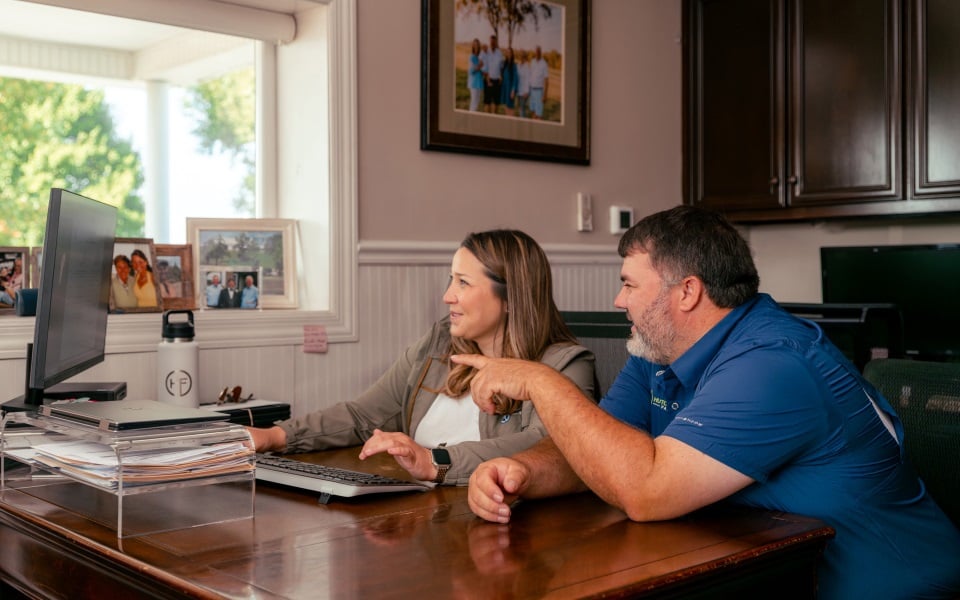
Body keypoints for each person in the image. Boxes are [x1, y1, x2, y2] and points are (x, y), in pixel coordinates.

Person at [459, 206, 960, 599]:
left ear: (688, 292)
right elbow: (598, 445)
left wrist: (542, 383)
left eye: (629, 284)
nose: (619, 300)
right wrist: (520, 471)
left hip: (896, 588)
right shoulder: (657, 349)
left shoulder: (773, 364)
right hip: (769, 575)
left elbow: (646, 491)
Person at [246, 229, 597, 485]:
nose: (448, 296)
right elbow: (363, 415)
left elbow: (548, 448)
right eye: (450, 280)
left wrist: (435, 462)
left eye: (463, 283)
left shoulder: (565, 365)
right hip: (420, 511)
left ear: (511, 298)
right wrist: (275, 437)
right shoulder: (439, 342)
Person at [482, 35, 504, 114]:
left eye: (494, 42)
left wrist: (501, 76)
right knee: (487, 102)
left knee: (496, 102)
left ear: (496, 42)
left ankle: (494, 118)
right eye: (491, 42)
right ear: (489, 42)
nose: (492, 43)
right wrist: (487, 77)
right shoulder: (486, 52)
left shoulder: (500, 53)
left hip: (497, 81)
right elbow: (484, 66)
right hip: (488, 80)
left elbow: (501, 66)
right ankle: (487, 119)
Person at [528, 46, 549, 120]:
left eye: (539, 52)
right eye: (536, 52)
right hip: (532, 90)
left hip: (539, 91)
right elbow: (530, 76)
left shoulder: (544, 64)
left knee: (539, 114)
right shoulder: (532, 61)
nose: (537, 53)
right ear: (535, 53)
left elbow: (546, 80)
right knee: (533, 111)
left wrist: (545, 95)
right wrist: (529, 90)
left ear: (541, 53)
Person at [499, 47, 519, 117]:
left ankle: (511, 123)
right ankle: (508, 122)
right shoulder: (504, 64)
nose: (508, 54)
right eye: (507, 52)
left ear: (512, 54)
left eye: (510, 52)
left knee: (510, 108)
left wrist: (513, 90)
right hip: (505, 88)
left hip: (510, 90)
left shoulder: (514, 65)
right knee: (506, 107)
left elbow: (515, 79)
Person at [467, 38, 484, 112]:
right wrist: (480, 65)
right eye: (475, 45)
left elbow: (482, 70)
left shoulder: (479, 57)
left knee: (476, 103)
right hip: (473, 83)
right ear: (473, 46)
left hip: (479, 83)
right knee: (473, 103)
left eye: (478, 45)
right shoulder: (472, 57)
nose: (476, 47)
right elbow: (471, 71)